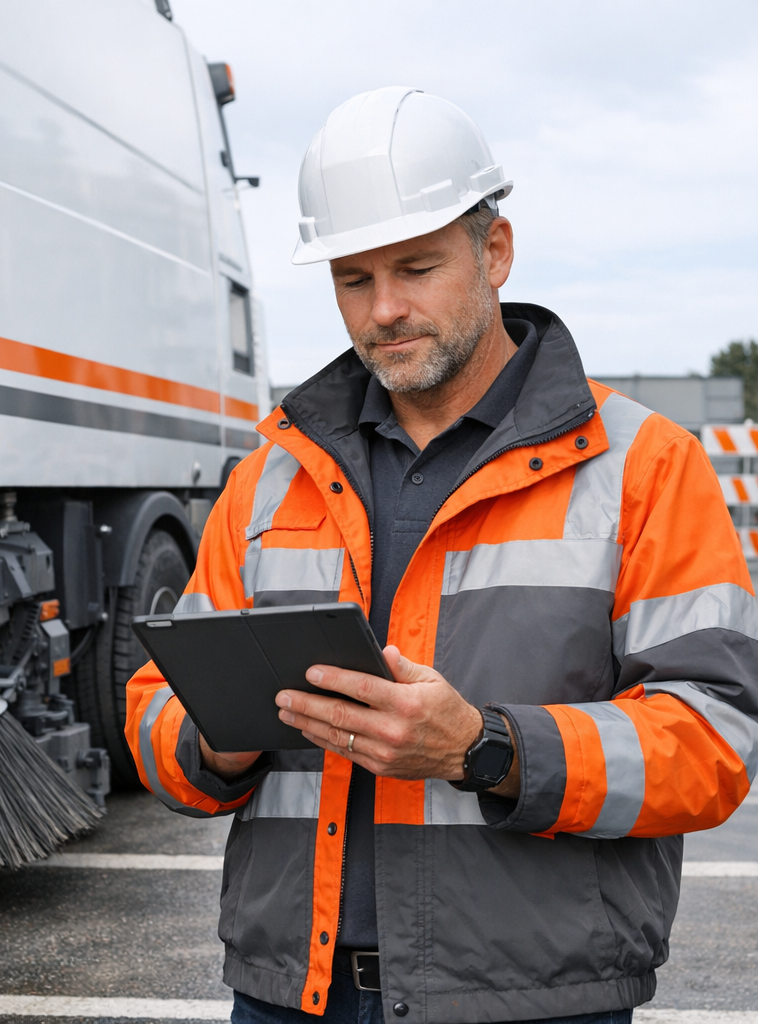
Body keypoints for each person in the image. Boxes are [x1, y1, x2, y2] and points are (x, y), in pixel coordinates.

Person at [126, 87, 758, 1024]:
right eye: (353, 279)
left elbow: (712, 740)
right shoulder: (270, 477)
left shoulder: (644, 466)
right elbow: (151, 705)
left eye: (417, 268)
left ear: (495, 252)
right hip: (288, 992)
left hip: (536, 999)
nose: (385, 309)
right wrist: (212, 742)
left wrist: (486, 748)